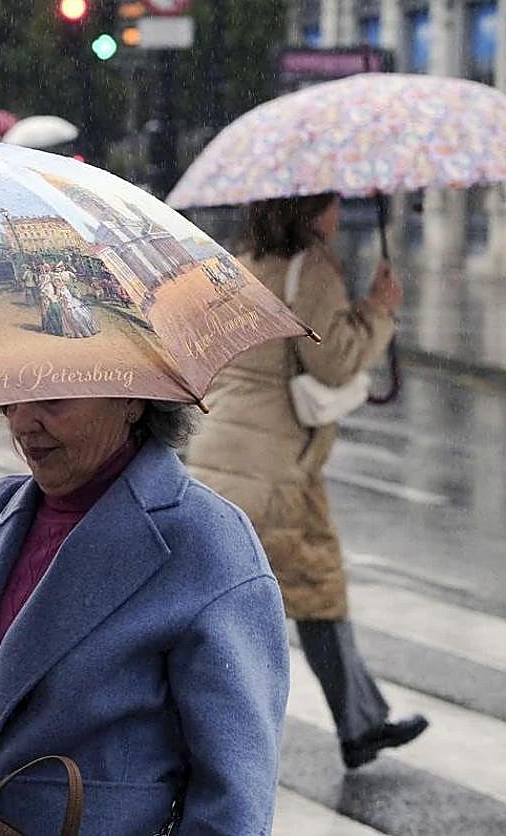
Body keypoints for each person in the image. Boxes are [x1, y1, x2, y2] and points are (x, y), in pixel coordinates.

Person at [0, 397, 289, 833]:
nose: (24, 422)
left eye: (56, 399)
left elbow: (235, 797)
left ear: (133, 400)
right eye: (15, 395)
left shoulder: (206, 541)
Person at [183, 193, 427, 770]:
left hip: (232, 450)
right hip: (271, 466)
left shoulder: (243, 261)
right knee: (233, 615)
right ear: (310, 211)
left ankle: (360, 722)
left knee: (316, 589)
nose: (339, 212)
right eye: (332, 203)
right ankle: (210, 747)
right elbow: (335, 361)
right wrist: (379, 309)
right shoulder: (312, 270)